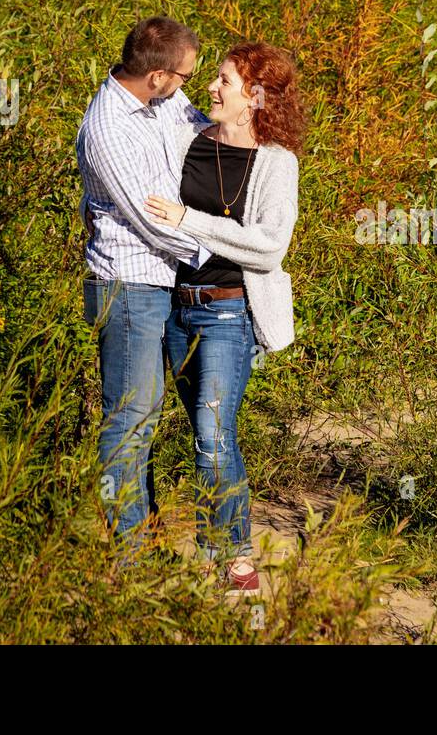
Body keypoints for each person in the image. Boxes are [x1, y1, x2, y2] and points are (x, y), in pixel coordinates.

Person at [143, 41, 304, 594]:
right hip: (175, 310)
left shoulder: (277, 164)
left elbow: (267, 247)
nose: (211, 87)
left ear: (255, 98)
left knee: (212, 434)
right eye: (214, 77)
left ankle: (233, 559)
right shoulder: (190, 142)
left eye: (225, 82)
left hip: (228, 314)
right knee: (210, 436)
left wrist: (190, 220)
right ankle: (216, 548)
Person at [75, 16, 212, 566]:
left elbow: (201, 129)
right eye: (183, 77)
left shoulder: (164, 103)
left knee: (151, 413)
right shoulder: (108, 126)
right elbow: (150, 221)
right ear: (156, 75)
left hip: (164, 282)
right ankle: (130, 554)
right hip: (129, 284)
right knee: (130, 419)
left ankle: (146, 539)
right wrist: (222, 254)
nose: (188, 87)